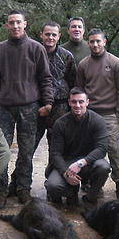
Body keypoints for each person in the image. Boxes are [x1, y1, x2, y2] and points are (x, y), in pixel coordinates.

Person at [0, 10, 53, 206]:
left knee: (26, 151)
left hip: (29, 107)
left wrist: (48, 103)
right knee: (2, 150)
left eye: (18, 22)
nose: (15, 26)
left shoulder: (36, 48)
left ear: (25, 24)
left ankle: (23, 188)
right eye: (11, 23)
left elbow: (45, 78)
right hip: (3, 107)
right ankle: (1, 190)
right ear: (7, 25)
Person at [75, 28, 119, 199]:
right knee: (89, 150)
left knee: (115, 150)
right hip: (89, 115)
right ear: (88, 42)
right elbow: (79, 89)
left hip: (109, 114)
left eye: (98, 41)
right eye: (92, 41)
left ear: (104, 41)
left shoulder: (115, 62)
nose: (95, 44)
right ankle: (92, 185)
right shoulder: (84, 64)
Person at [45, 88, 110, 208]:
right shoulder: (60, 123)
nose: (77, 105)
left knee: (103, 167)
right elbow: (55, 153)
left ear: (87, 102)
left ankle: (91, 196)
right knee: (53, 186)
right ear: (69, 103)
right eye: (74, 102)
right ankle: (71, 192)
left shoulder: (98, 121)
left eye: (81, 101)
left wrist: (81, 163)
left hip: (88, 161)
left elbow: (102, 148)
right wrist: (65, 173)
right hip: (67, 162)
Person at [33, 21, 75, 152]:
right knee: (29, 144)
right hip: (36, 105)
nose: (50, 37)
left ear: (59, 36)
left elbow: (73, 81)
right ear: (41, 35)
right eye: (47, 34)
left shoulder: (67, 56)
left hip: (60, 107)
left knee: (58, 145)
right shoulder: (32, 53)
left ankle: (55, 172)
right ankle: (22, 172)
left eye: (54, 35)